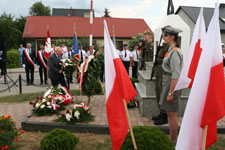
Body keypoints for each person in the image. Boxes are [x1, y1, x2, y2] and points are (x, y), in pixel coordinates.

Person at [159, 26, 183, 144]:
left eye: (165, 35)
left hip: (171, 85)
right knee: (169, 113)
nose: (163, 37)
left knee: (172, 114)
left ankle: (173, 141)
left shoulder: (174, 52)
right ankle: (172, 139)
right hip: (168, 83)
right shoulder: (170, 50)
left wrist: (170, 93)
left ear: (172, 37)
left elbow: (176, 75)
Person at [153, 26, 170, 125]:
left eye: (165, 33)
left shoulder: (169, 47)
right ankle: (161, 113)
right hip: (159, 72)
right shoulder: (163, 46)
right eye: (163, 33)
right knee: (158, 93)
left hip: (164, 73)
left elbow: (165, 61)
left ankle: (164, 116)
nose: (163, 35)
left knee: (163, 94)